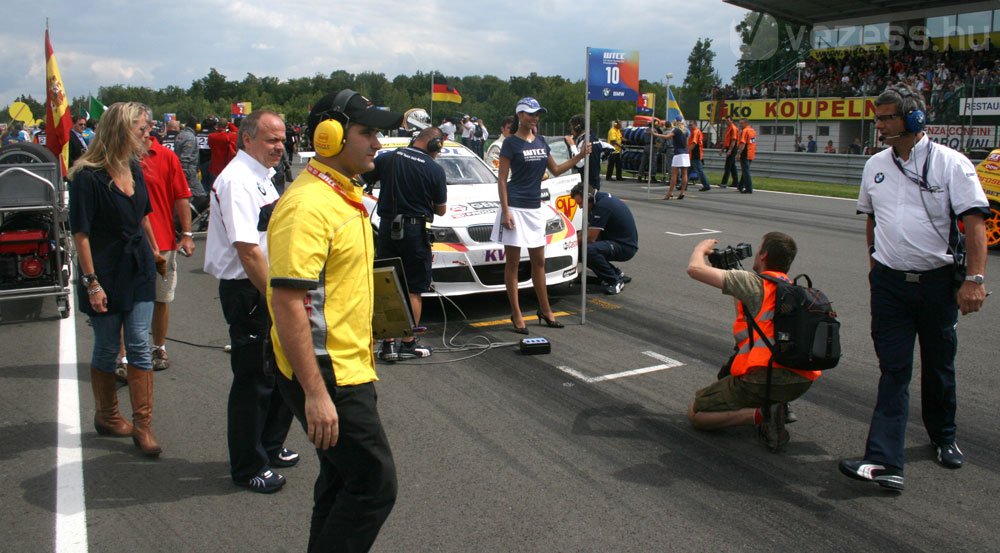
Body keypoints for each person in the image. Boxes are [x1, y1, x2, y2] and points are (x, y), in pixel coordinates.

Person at [267, 89, 403, 551]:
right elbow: (286, 303)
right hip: (329, 372)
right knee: (373, 486)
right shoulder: (307, 206)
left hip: (348, 364)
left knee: (341, 481)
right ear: (329, 136)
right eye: (367, 132)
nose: (378, 143)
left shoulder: (341, 194)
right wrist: (315, 393)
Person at [840, 84, 989, 492]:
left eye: (888, 117)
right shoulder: (875, 165)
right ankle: (884, 461)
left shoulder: (951, 164)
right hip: (889, 285)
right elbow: (871, 217)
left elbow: (976, 224)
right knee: (894, 370)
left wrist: (975, 280)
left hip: (938, 285)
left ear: (915, 118)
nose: (880, 124)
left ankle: (943, 437)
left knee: (939, 367)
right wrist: (875, 266)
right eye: (878, 117)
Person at [204, 109, 298, 493]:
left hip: (267, 285)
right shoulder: (237, 181)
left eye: (282, 139)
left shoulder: (262, 177)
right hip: (250, 291)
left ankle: (270, 445)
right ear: (247, 139)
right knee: (254, 379)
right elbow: (247, 250)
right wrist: (275, 299)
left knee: (280, 373)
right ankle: (248, 465)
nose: (280, 146)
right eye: (271, 139)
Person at [68, 102, 166, 457]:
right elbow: (81, 234)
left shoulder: (135, 168)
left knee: (139, 343)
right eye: (141, 128)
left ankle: (143, 425)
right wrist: (91, 282)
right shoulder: (86, 177)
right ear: (120, 130)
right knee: (109, 347)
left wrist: (155, 252)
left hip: (137, 266)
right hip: (105, 271)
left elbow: (143, 217)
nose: (147, 134)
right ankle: (107, 414)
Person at [685, 232, 819, 452]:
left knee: (697, 414)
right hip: (801, 379)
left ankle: (763, 414)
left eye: (758, 250)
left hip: (763, 378)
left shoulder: (752, 283)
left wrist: (701, 247)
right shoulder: (794, 289)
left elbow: (695, 270)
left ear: (764, 255)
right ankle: (776, 405)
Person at [493, 97, 589, 333]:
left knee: (539, 262)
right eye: (529, 113)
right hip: (514, 207)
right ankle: (516, 314)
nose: (534, 117)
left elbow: (555, 170)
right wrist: (505, 211)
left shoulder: (541, 141)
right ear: (519, 116)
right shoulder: (510, 144)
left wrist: (578, 157)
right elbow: (503, 179)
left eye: (537, 113)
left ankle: (545, 310)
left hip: (535, 208)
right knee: (513, 264)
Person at [365, 126, 447, 361]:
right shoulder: (434, 169)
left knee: (387, 284)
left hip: (387, 228)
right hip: (414, 231)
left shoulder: (387, 158)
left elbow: (365, 178)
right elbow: (440, 210)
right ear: (435, 145)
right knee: (414, 288)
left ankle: (388, 344)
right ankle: (408, 343)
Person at [139, 105, 196, 372]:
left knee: (161, 299)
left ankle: (158, 347)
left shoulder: (166, 157)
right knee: (127, 301)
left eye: (139, 126)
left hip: (162, 242)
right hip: (127, 244)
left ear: (150, 127)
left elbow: (181, 197)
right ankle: (126, 353)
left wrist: (186, 234)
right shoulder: (116, 157)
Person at [570, 183, 637, 295]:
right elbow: (585, 229)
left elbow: (591, 237)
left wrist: (569, 244)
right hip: (616, 238)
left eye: (581, 203)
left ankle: (615, 280)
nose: (580, 207)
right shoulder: (598, 200)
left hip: (625, 246)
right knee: (580, 244)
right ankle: (615, 273)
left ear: (589, 198)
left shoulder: (602, 206)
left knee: (587, 250)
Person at [174, 116, 206, 205]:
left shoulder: (180, 134)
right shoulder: (190, 137)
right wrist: (185, 173)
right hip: (189, 170)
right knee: (201, 195)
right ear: (197, 126)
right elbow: (185, 157)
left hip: (183, 170)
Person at [568, 114, 603, 192]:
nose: (571, 131)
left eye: (572, 127)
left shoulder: (584, 141)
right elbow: (610, 148)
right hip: (595, 179)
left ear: (577, 127)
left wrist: (572, 145)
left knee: (585, 203)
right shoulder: (594, 138)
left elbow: (579, 164)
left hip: (587, 182)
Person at [663, 116, 690, 200]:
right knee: (684, 174)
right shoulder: (686, 130)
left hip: (678, 153)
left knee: (674, 174)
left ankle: (670, 193)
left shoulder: (676, 130)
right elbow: (686, 142)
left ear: (676, 121)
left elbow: (667, 137)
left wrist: (655, 134)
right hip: (685, 153)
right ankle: (682, 192)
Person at [688, 121, 710, 191]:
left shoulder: (695, 132)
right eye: (689, 125)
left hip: (695, 154)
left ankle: (706, 185)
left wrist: (687, 151)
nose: (690, 126)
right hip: (693, 155)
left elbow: (694, 143)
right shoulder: (695, 131)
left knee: (699, 171)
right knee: (687, 171)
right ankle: (683, 185)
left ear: (695, 125)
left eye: (691, 125)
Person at [736, 118, 757, 194]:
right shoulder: (752, 130)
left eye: (741, 123)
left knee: (746, 172)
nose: (740, 125)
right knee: (745, 171)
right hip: (751, 153)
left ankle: (749, 188)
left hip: (745, 153)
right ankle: (740, 186)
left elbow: (742, 144)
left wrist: (739, 154)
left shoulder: (745, 131)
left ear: (745, 123)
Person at [719, 115, 739, 188]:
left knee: (727, 166)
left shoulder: (733, 128)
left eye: (728, 120)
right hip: (728, 148)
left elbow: (733, 141)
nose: (726, 122)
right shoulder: (728, 128)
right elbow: (726, 141)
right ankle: (736, 182)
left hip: (732, 148)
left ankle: (724, 183)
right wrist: (722, 150)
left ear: (731, 121)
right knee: (732, 166)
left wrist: (730, 150)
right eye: (726, 120)